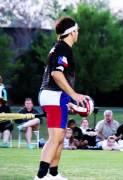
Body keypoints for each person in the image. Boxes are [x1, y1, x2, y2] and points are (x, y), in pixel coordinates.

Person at [36, 16, 86, 180]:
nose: (78, 33)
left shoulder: (60, 48)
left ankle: (53, 174)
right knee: (55, 138)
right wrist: (74, 95)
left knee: (59, 137)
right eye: (77, 30)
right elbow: (56, 73)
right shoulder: (63, 48)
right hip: (53, 95)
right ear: (72, 32)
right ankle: (41, 176)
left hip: (55, 96)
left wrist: (69, 101)